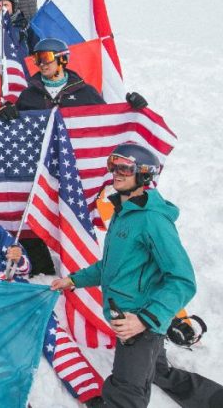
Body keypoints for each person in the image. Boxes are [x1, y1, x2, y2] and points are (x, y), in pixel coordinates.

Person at [51, 144, 223, 407]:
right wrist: (74, 280)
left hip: (139, 326)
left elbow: (182, 279)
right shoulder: (125, 213)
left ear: (143, 174)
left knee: (125, 393)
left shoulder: (152, 220)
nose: (116, 173)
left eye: (124, 168)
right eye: (113, 166)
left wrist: (144, 320)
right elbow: (111, 267)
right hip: (129, 318)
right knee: (157, 371)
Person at [11, 38, 105, 113]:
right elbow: (17, 128)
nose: (41, 64)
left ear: (62, 59)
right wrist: (7, 113)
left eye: (46, 57)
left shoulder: (86, 92)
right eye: (37, 59)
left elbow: (106, 118)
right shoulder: (28, 95)